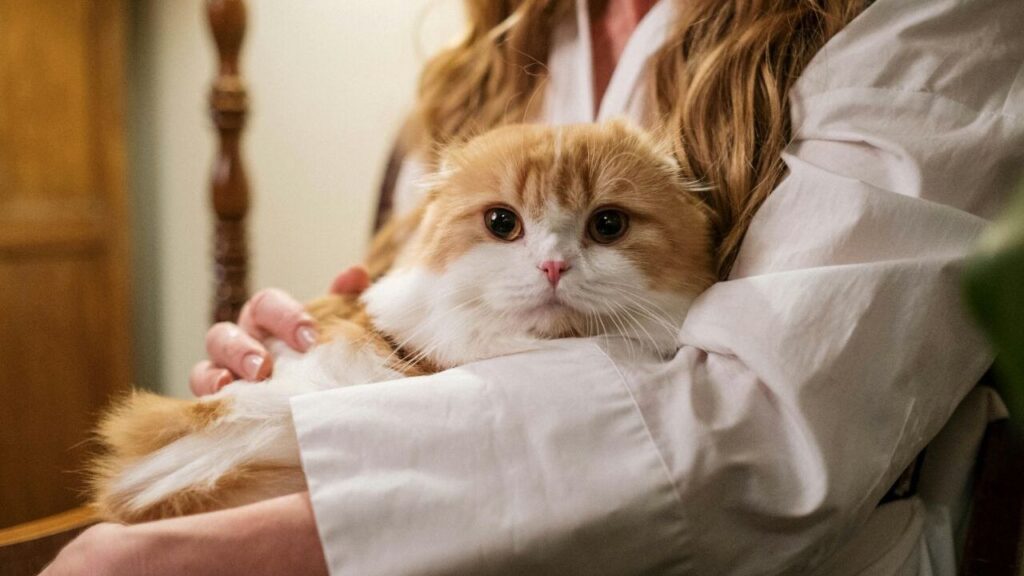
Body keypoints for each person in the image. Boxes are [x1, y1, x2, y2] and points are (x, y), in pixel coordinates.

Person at [44, 0, 1024, 574]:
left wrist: (242, 542)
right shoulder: (475, 67)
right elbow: (411, 309)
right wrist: (305, 346)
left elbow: (768, 437)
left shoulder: (925, 25)